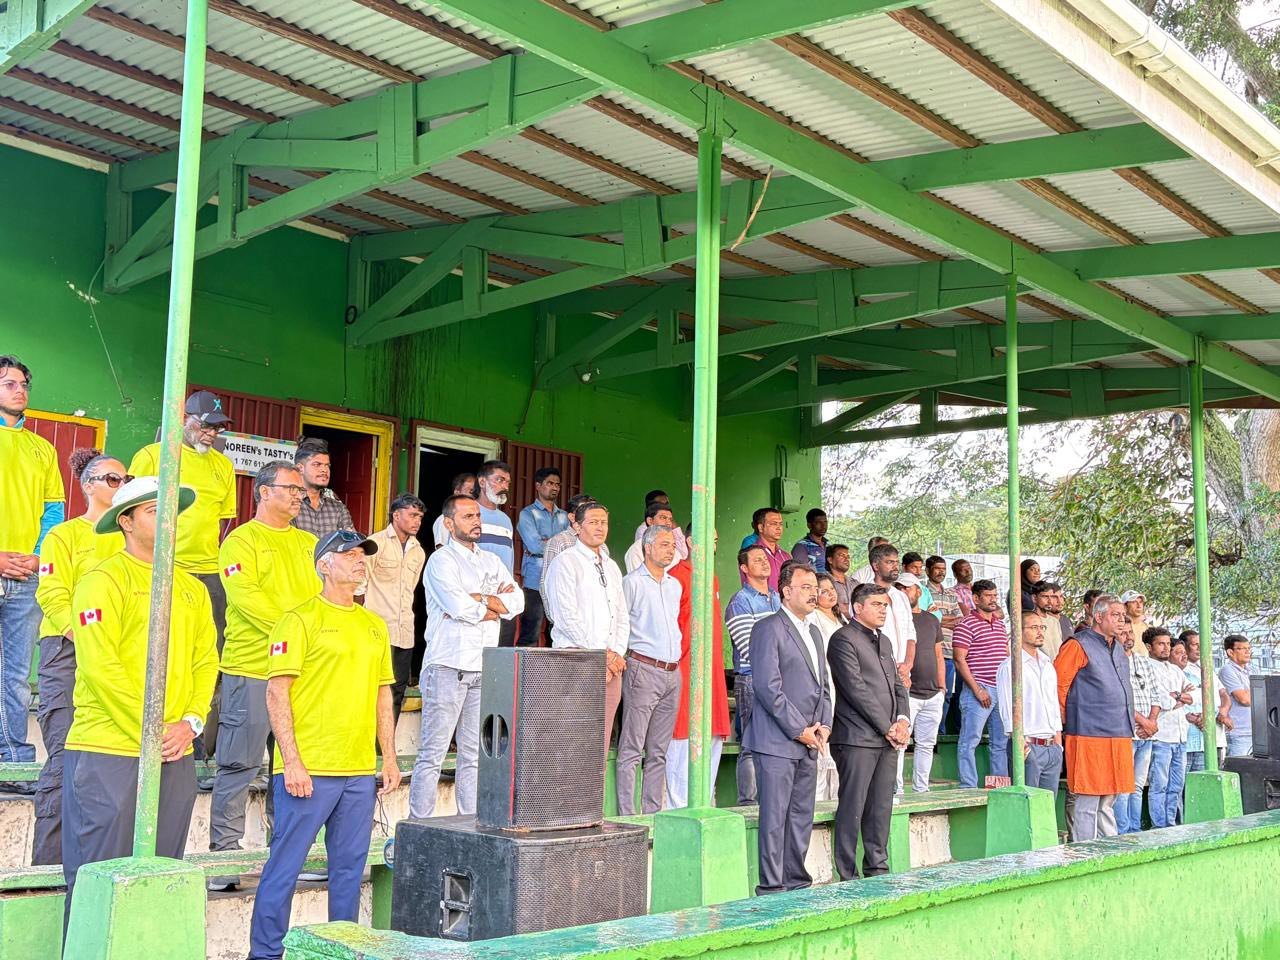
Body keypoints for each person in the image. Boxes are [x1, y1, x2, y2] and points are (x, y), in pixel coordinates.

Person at [61, 475, 217, 925]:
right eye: (154, 510)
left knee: (159, 878)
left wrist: (189, 723)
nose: (167, 518)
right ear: (125, 521)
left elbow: (207, 661)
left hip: (174, 751)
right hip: (109, 747)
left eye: (171, 509)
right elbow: (98, 666)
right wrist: (153, 730)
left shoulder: (191, 586)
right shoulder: (102, 579)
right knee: (98, 879)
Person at [246, 530, 401, 960]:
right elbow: (277, 692)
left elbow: (382, 694)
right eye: (348, 555)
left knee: (349, 871)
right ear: (323, 565)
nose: (359, 561)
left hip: (356, 770)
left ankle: (340, 950)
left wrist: (387, 756)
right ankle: (265, 953)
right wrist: (291, 761)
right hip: (308, 770)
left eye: (362, 555)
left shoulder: (373, 625)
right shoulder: (298, 619)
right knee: (285, 867)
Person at [208, 461, 319, 885]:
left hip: (301, 674)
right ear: (263, 492)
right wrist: (299, 631)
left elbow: (322, 600)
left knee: (292, 768)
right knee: (238, 765)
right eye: (290, 487)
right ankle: (224, 860)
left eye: (300, 489)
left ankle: (289, 856)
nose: (298, 495)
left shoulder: (310, 543)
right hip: (252, 668)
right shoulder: (240, 541)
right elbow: (247, 599)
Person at [128, 389, 237, 759]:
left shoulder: (223, 466)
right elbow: (132, 509)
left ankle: (202, 749)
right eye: (205, 426)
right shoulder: (152, 457)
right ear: (183, 421)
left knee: (209, 655)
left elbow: (221, 522)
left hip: (206, 574)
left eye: (217, 428)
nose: (210, 434)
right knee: (153, 650)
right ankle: (144, 736)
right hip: (159, 569)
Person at [31, 449, 125, 864]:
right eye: (112, 479)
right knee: (66, 754)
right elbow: (52, 594)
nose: (121, 486)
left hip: (119, 658)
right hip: (67, 651)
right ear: (88, 486)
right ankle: (49, 863)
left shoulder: (131, 538)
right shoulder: (65, 535)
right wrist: (86, 635)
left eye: (126, 479)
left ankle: (95, 859)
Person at [410, 494, 522, 818]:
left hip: (482, 667)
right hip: (447, 666)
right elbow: (459, 607)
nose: (476, 521)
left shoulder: (491, 561)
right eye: (467, 516)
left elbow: (518, 604)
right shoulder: (441, 561)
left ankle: (468, 822)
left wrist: (481, 600)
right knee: (433, 753)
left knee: (473, 754)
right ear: (449, 523)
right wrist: (492, 606)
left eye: (477, 515)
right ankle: (419, 823)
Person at [742, 562, 831, 895]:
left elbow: (823, 684)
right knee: (775, 817)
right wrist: (799, 729)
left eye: (815, 587)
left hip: (810, 739)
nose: (813, 593)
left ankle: (797, 881)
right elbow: (767, 687)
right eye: (805, 587)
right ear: (786, 591)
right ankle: (772, 887)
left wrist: (823, 725)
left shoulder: (815, 630)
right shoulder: (769, 627)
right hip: (777, 740)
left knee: (801, 816)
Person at [0, 355, 65, 774]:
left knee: (17, 674)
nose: (19, 390)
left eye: (23, 383)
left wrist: (38, 555)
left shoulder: (42, 449)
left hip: (26, 578)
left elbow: (53, 510)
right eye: (8, 383)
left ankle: (13, 758)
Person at [827, 583, 909, 880]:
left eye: (885, 605)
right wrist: (888, 727)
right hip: (856, 739)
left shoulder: (884, 641)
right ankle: (847, 874)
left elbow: (898, 684)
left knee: (880, 807)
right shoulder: (843, 639)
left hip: (887, 739)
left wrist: (902, 720)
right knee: (853, 806)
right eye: (876, 604)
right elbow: (855, 689)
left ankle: (877, 868)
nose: (883, 610)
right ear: (857, 607)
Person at [543, 501, 629, 762]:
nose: (600, 527)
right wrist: (602, 653)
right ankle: (570, 801)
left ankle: (593, 802)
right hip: (577, 659)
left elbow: (622, 616)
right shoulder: (565, 562)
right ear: (576, 526)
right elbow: (565, 617)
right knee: (573, 737)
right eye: (593, 522)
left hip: (610, 666)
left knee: (599, 744)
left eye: (603, 522)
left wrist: (616, 655)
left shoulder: (612, 566)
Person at [1055, 595, 1136, 840]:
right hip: (1088, 732)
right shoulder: (1077, 644)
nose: (1121, 620)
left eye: (1123, 615)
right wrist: (1062, 727)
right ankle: (1084, 852)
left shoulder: (1119, 648)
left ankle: (1111, 848)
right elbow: (1059, 686)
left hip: (1119, 731)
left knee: (1108, 798)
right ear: (1098, 617)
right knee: (1088, 799)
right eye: (1115, 615)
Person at [615, 526, 682, 815]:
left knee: (658, 752)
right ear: (648, 548)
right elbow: (619, 624)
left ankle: (653, 815)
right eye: (665, 544)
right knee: (632, 748)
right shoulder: (631, 583)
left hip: (672, 672)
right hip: (643, 667)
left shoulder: (674, 585)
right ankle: (629, 817)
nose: (671, 550)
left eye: (672, 545)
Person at [667, 528, 730, 809]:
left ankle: (703, 808)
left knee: (712, 738)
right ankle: (678, 813)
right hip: (685, 671)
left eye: (716, 539)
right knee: (682, 741)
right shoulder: (676, 576)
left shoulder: (712, 578)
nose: (714, 543)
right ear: (691, 542)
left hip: (713, 673)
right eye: (708, 538)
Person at [724, 544, 780, 806]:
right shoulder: (740, 601)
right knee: (751, 743)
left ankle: (770, 800)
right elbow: (750, 647)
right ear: (744, 568)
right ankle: (748, 802)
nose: (764, 563)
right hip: (752, 678)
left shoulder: (777, 598)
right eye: (756, 560)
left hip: (779, 678)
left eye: (765, 559)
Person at [364, 493, 427, 724]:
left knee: (398, 689)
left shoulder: (418, 551)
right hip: (378, 628)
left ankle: (385, 749)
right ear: (396, 515)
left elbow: (410, 590)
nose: (417, 521)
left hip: (405, 631)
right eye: (412, 515)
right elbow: (360, 584)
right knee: (375, 689)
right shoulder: (375, 543)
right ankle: (369, 746)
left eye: (420, 517)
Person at [996, 610, 1063, 792]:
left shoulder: (1048, 664)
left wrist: (1058, 744)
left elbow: (1053, 706)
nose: (1040, 632)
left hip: (1051, 747)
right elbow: (1006, 708)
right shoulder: (1010, 666)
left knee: (1047, 807)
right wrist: (1021, 744)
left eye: (1042, 627)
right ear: (1019, 630)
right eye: (1034, 627)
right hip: (1028, 746)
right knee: (1026, 805)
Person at [952, 578, 1010, 787]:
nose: (993, 600)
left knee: (1000, 743)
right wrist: (977, 689)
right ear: (975, 599)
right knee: (970, 741)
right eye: (988, 596)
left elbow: (1006, 655)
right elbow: (959, 659)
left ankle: (999, 785)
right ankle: (968, 785)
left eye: (995, 595)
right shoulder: (966, 624)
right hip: (979, 689)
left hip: (1001, 690)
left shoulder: (1000, 624)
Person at [515, 466, 569, 646]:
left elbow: (572, 546)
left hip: (560, 580)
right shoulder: (527, 514)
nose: (554, 487)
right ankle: (523, 673)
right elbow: (534, 545)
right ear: (538, 486)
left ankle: (551, 673)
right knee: (531, 631)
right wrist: (557, 544)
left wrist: (548, 542)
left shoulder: (564, 517)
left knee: (557, 632)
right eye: (550, 483)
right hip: (535, 580)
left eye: (557, 484)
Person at [1143, 627, 1190, 828]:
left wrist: (1177, 697)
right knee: (1159, 785)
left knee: (1177, 785)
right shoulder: (1147, 668)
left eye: (1168, 644)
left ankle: (1171, 823)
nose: (1166, 648)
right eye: (1161, 644)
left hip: (1180, 735)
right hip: (1162, 735)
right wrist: (1179, 698)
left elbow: (1193, 695)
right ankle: (1159, 826)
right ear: (1149, 646)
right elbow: (1163, 700)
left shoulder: (1175, 670)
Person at [903, 573, 945, 794]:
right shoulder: (895, 618)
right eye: (899, 588)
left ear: (918, 591)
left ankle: (921, 789)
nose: (904, 591)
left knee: (926, 744)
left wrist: (942, 686)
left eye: (908, 588)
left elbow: (939, 654)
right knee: (900, 743)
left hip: (932, 693)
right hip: (908, 692)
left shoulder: (931, 619)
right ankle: (896, 791)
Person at [1118, 617, 1160, 833]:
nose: (1128, 637)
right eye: (1123, 633)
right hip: (1127, 733)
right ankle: (1123, 832)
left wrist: (1151, 722)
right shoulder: (1113, 662)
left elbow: (1156, 695)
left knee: (1137, 786)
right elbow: (1119, 699)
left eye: (1130, 633)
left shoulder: (1143, 661)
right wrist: (1143, 722)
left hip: (1147, 735)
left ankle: (1135, 830)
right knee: (1123, 787)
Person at [474, 460, 517, 647]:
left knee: (502, 657)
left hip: (504, 598)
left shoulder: (506, 520)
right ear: (482, 482)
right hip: (478, 597)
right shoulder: (470, 514)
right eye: (499, 480)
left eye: (507, 482)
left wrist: (509, 584)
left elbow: (510, 558)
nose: (504, 487)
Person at [1181, 630, 1228, 772]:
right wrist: (1200, 717)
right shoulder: (1181, 668)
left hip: (1209, 737)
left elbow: (1223, 693)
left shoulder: (1206, 667)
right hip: (1189, 736)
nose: (1200, 648)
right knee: (1183, 784)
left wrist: (1222, 712)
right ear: (1184, 646)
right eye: (1195, 645)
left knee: (1203, 781)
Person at [291, 438, 355, 540]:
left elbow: (350, 542)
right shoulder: (289, 504)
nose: (324, 470)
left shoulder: (338, 508)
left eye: (327, 465)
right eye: (317, 464)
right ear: (300, 468)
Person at [869, 544, 915, 683]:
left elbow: (911, 634)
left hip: (903, 674)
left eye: (896, 562)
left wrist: (907, 665)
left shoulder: (901, 597)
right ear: (876, 566)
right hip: (877, 674)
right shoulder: (864, 595)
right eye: (889, 562)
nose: (895, 567)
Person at [925, 555, 961, 724]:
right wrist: (940, 619)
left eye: (943, 569)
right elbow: (926, 619)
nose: (941, 572)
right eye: (937, 568)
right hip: (930, 651)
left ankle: (941, 731)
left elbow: (959, 620)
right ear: (928, 571)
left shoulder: (951, 594)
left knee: (945, 693)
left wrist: (938, 618)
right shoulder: (923, 593)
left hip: (949, 651)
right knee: (928, 694)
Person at [541, 492, 603, 576]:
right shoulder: (559, 542)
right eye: (587, 512)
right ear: (572, 517)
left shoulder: (602, 546)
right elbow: (547, 581)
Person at [1219, 634, 1253, 758]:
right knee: (1239, 772)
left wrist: (1249, 692)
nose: (1247, 651)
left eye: (1248, 648)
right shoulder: (1227, 670)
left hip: (1256, 732)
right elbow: (1244, 699)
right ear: (1230, 652)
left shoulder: (1251, 669)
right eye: (1242, 648)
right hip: (1238, 732)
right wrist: (1255, 693)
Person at [740, 508, 790, 591]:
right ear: (760, 527)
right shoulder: (751, 554)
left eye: (780, 524)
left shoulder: (785, 556)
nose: (779, 528)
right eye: (774, 524)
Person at [635, 489, 688, 560]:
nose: (665, 507)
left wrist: (674, 526)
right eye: (660, 504)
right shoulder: (643, 529)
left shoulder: (669, 525)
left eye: (667, 504)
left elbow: (685, 554)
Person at [624, 501, 676, 574]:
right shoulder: (636, 550)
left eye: (670, 519)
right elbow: (638, 582)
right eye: (663, 518)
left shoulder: (674, 549)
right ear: (650, 521)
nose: (668, 523)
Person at [431, 473, 477, 549]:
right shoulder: (445, 519)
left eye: (476, 493)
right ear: (457, 493)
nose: (474, 496)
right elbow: (441, 549)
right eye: (471, 492)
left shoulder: (476, 520)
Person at [1031, 580, 1067, 661]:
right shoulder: (1030, 621)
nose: (1050, 601)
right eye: (1045, 597)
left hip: (1057, 669)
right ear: (1034, 598)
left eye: (1052, 597)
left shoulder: (1054, 621)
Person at [789, 508, 828, 573]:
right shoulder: (801, 546)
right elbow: (801, 572)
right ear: (809, 525)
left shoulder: (829, 545)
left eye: (825, 522)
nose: (823, 526)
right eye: (818, 522)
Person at [827, 544, 853, 619]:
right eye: (842, 555)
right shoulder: (824, 582)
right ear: (830, 560)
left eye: (848, 556)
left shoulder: (855, 583)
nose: (846, 559)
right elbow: (838, 609)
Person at [1121, 590, 1150, 657]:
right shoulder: (1119, 627)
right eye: (1134, 602)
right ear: (1124, 606)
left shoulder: (1148, 628)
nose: (1139, 606)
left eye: (1140, 602)